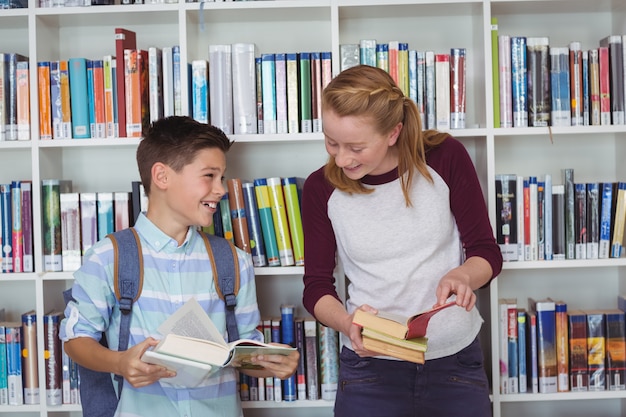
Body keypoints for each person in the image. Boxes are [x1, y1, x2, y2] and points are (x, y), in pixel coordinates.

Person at [60, 116, 299, 417]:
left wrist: (275, 364)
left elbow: (244, 354)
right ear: (161, 176)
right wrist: (120, 363)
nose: (221, 189)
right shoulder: (108, 257)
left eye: (222, 178)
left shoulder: (234, 261)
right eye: (209, 176)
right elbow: (75, 340)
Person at [301, 65, 503, 417]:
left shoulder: (445, 157)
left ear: (393, 132)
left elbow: (486, 252)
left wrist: (464, 276)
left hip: (454, 363)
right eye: (331, 141)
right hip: (370, 371)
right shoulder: (321, 188)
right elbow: (316, 287)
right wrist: (347, 323)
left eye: (356, 147)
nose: (341, 158)